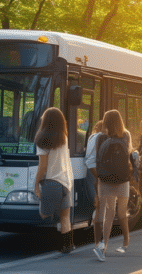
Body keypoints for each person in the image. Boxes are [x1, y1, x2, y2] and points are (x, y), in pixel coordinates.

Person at [93, 110, 134, 262]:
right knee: (122, 212)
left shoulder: (100, 137)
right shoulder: (126, 135)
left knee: (108, 214)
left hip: (105, 180)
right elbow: (129, 154)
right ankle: (126, 243)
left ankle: (103, 246)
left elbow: (98, 158)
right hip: (123, 180)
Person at [34, 107, 75, 253]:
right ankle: (68, 246)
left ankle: (58, 244)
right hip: (66, 182)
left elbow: (43, 167)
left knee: (44, 214)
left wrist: (36, 185)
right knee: (65, 217)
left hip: (52, 182)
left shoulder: (42, 140)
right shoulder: (63, 137)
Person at [84, 120, 104, 250]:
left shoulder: (92, 136)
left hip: (90, 173)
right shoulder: (100, 137)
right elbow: (92, 160)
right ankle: (99, 241)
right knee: (99, 206)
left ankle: (99, 240)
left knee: (98, 206)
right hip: (94, 173)